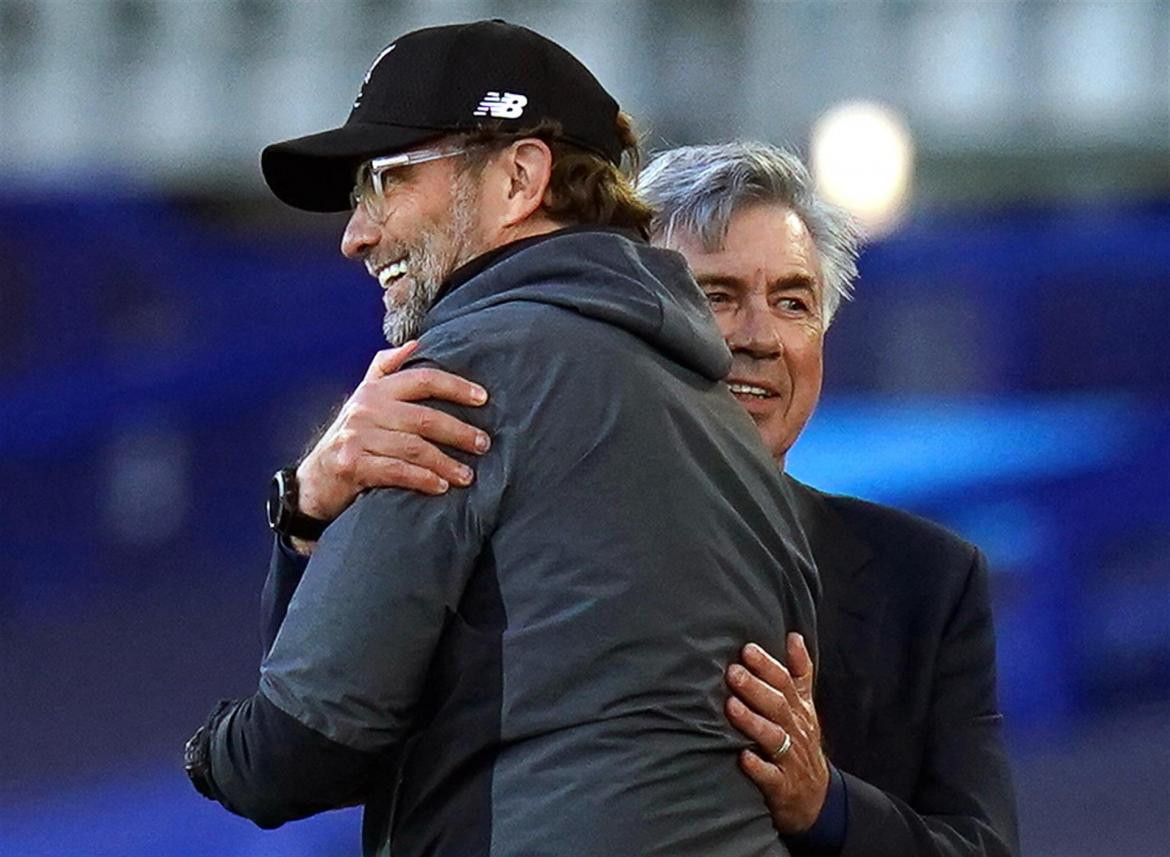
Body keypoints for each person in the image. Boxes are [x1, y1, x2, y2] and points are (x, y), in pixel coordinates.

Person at [276, 141, 1019, 857]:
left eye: (793, 301)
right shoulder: (493, 529)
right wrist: (306, 510)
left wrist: (827, 806)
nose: (759, 336)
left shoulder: (928, 580)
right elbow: (313, 744)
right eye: (714, 297)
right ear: (631, 324)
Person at [184, 22, 817, 857]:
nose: (356, 234)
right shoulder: (727, 424)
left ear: (519, 178)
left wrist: (208, 751)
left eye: (388, 179)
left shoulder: (468, 373)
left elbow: (299, 750)